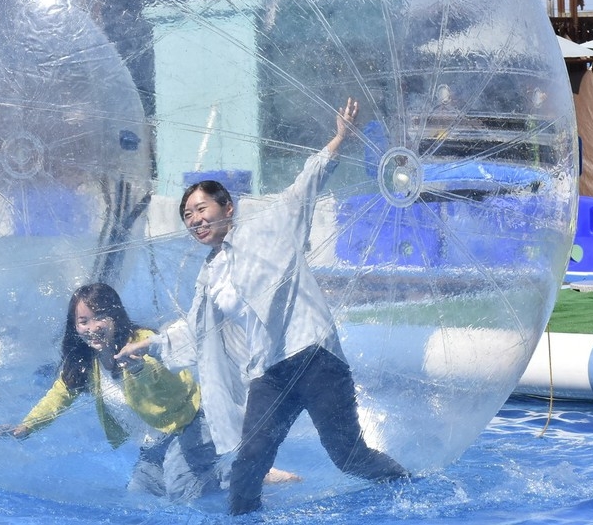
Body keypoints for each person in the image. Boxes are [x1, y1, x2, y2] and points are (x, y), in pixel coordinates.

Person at [118, 98, 408, 515]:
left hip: (314, 357)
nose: (194, 220)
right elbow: (197, 330)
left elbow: (305, 185)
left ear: (227, 207)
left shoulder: (272, 223)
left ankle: (409, 485)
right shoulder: (210, 275)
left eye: (201, 209)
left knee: (348, 457)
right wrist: (150, 346)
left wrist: (339, 140)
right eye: (187, 215)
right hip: (270, 372)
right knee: (248, 465)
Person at [0, 282, 221, 502]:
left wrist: (139, 369)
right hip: (153, 442)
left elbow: (163, 381)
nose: (92, 328)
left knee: (184, 493)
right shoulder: (85, 360)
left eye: (100, 317)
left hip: (189, 426)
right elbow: (59, 396)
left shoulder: (141, 342)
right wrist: (28, 426)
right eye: (83, 321)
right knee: (139, 497)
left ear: (115, 316)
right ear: (75, 326)